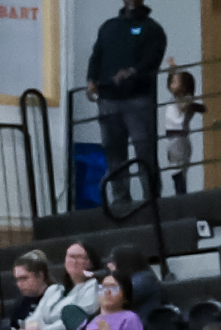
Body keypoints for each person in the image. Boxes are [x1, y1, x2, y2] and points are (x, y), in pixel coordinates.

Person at [87, 0, 167, 204]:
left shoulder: (153, 29)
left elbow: (152, 60)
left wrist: (132, 72)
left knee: (145, 151)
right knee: (114, 153)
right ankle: (121, 200)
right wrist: (91, 81)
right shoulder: (108, 27)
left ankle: (152, 202)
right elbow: (96, 56)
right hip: (108, 100)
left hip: (138, 99)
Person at [20, 242, 102, 330]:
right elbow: (32, 319)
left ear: (90, 262)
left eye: (79, 257)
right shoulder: (54, 290)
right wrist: (30, 328)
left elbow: (75, 321)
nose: (74, 261)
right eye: (70, 256)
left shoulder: (94, 286)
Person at [161, 61, 203, 196]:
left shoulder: (186, 99)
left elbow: (184, 107)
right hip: (173, 140)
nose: (171, 85)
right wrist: (172, 71)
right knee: (175, 171)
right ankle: (180, 193)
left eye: (176, 82)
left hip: (179, 140)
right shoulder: (175, 100)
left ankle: (181, 195)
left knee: (178, 172)